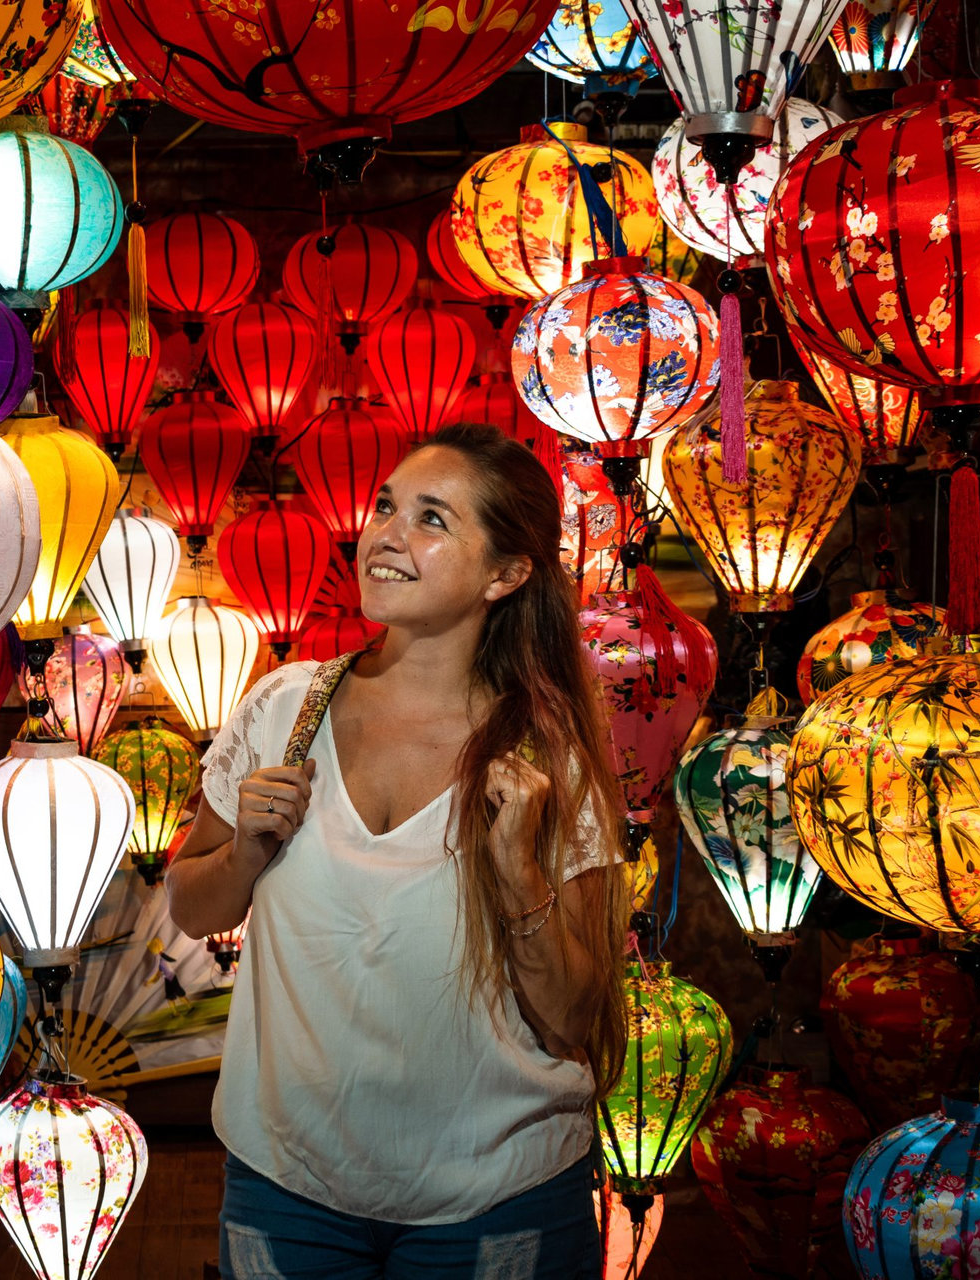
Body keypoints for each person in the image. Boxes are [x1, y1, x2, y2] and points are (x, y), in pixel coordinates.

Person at [168, 425, 629, 1280]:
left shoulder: (544, 753)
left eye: (431, 519)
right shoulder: (283, 706)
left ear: (506, 573)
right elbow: (192, 907)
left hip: (498, 1193)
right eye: (385, 506)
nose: (385, 533)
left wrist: (520, 871)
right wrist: (244, 857)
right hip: (288, 1182)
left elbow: (576, 1019)